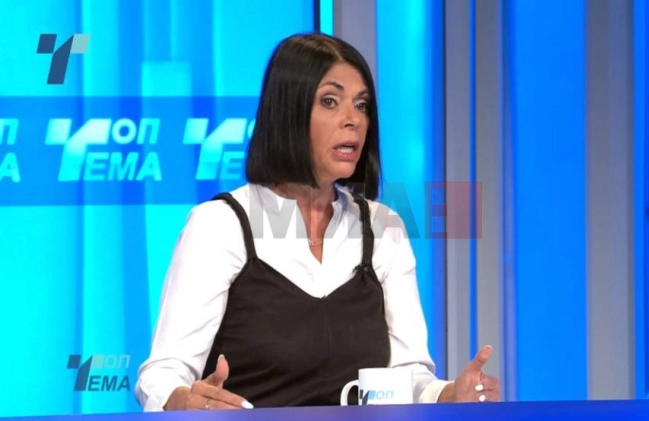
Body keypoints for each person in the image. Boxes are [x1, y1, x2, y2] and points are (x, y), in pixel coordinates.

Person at [134, 32, 500, 411]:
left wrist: (449, 394)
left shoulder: (382, 228)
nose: (353, 120)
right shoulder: (219, 225)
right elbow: (163, 373)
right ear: (288, 112)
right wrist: (183, 401)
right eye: (330, 101)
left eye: (362, 105)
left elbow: (408, 376)